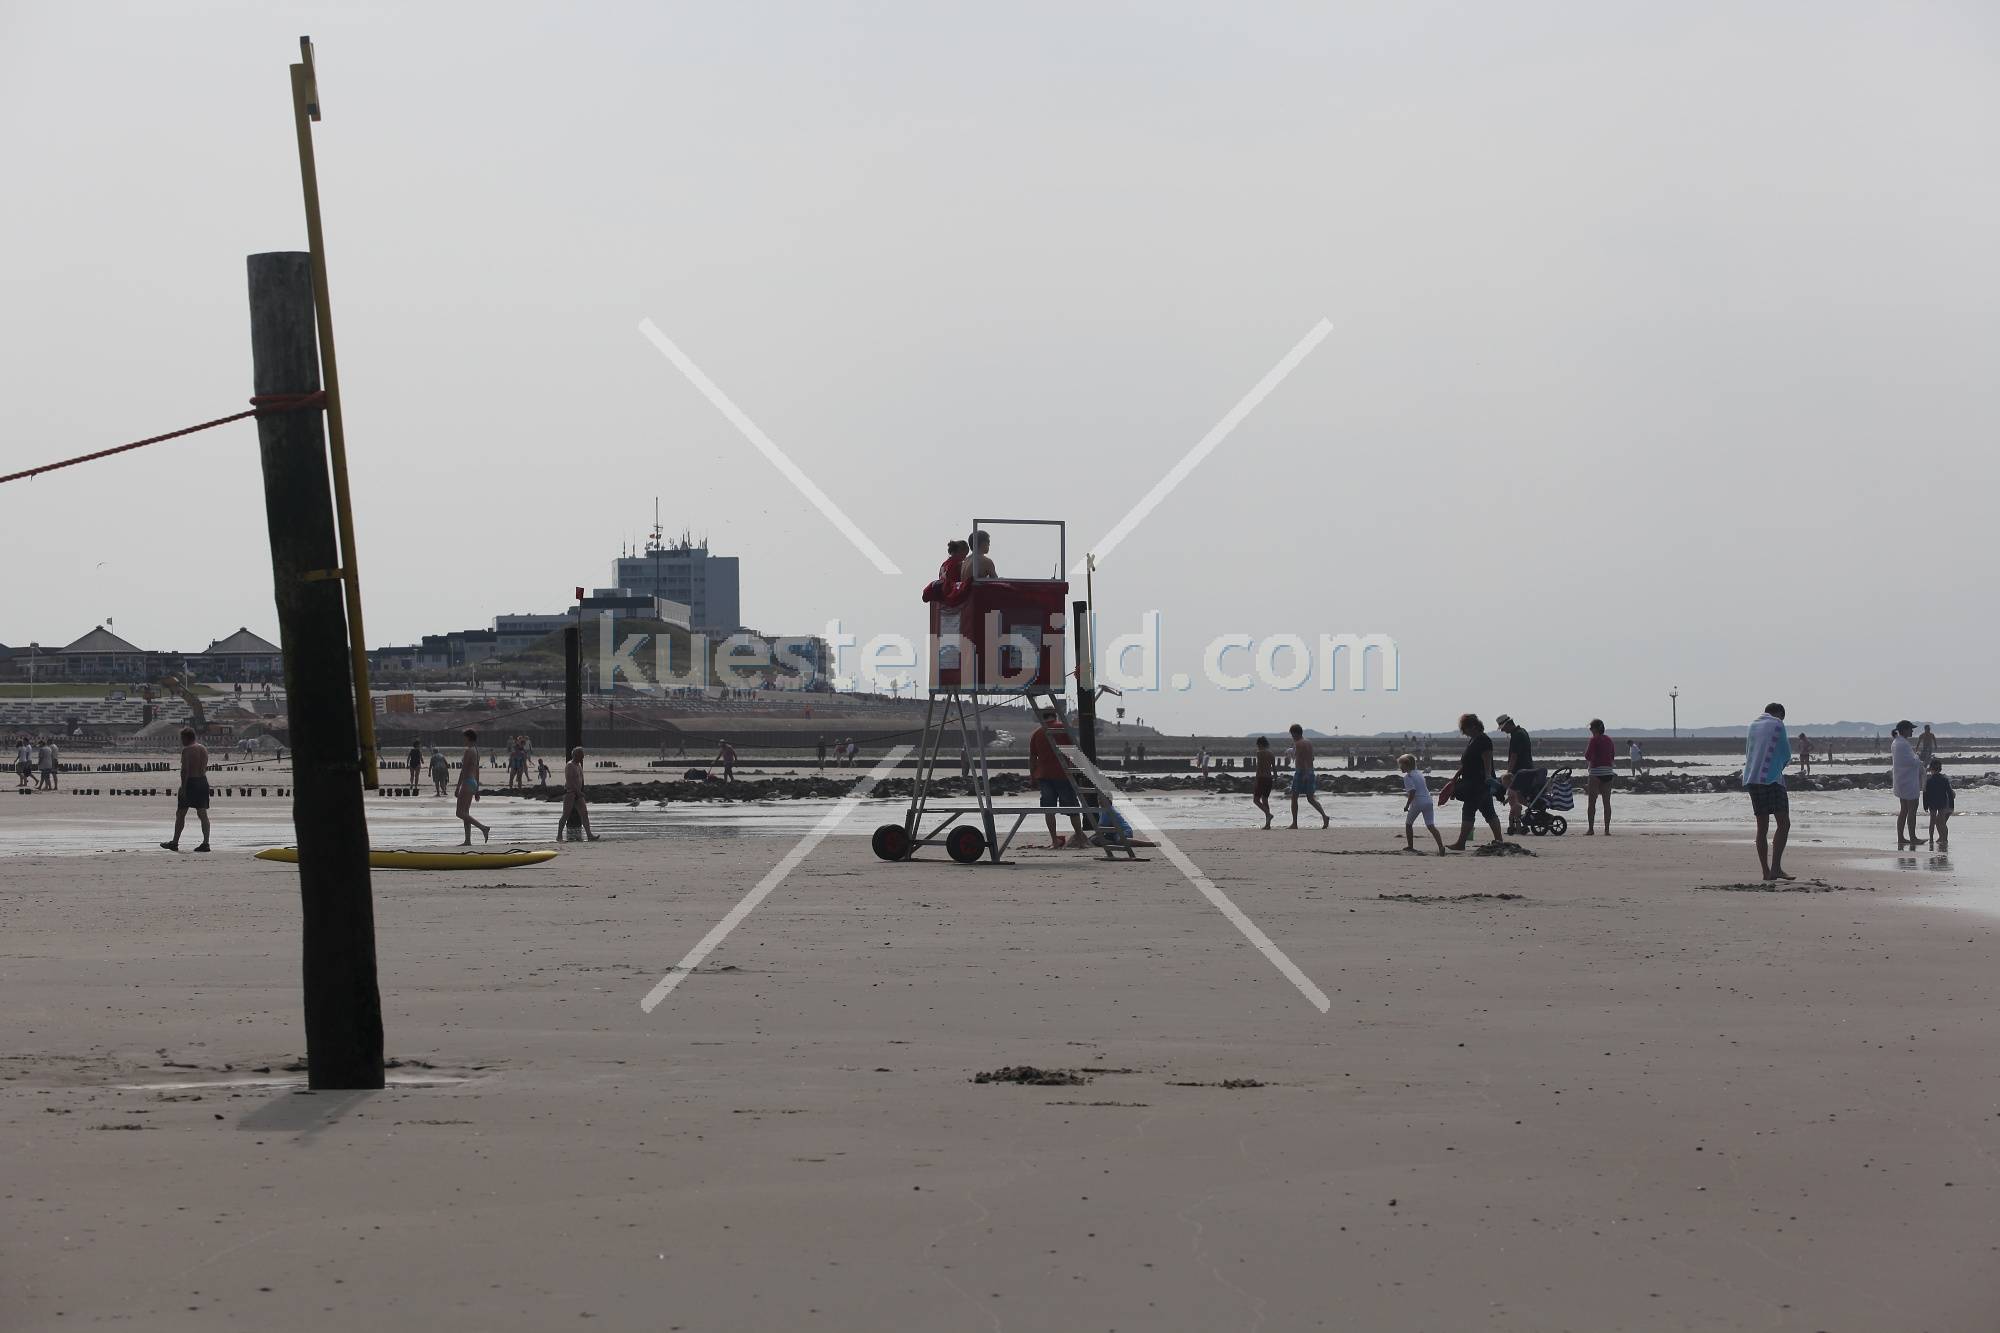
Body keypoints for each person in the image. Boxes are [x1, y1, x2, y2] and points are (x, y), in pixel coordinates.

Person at [1743, 702, 1792, 880]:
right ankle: (1776, 868)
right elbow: (1785, 753)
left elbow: (1749, 752)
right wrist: (1781, 765)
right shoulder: (1778, 724)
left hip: (1752, 779)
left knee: (1762, 827)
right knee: (1783, 823)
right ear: (1779, 714)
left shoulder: (1752, 725)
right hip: (1771, 779)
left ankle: (1766, 871)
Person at [1445, 713, 1505, 850]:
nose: (1464, 732)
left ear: (1473, 726)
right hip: (1474, 782)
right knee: (1489, 812)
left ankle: (1461, 843)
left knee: (1468, 810)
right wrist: (1455, 778)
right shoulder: (1473, 739)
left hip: (1478, 783)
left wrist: (1488, 776)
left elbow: (1487, 758)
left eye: (1465, 729)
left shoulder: (1483, 740)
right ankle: (1499, 840)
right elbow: (1467, 763)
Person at [1029, 708, 1086, 848]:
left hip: (1044, 775)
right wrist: (1075, 770)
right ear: (1055, 716)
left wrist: (1032, 776)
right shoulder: (1063, 729)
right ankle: (1079, 838)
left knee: (1049, 809)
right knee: (1072, 807)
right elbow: (1074, 751)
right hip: (1063, 774)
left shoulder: (1037, 733)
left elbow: (1032, 757)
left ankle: (1054, 840)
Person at [160, 726, 212, 853]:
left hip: (191, 783)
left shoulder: (187, 750)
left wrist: (183, 787)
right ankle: (206, 843)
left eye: (182, 738)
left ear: (186, 738)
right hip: (203, 781)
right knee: (202, 814)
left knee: (181, 813)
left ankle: (175, 842)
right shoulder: (203, 748)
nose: (181, 741)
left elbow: (185, 771)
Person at [1496, 714, 1536, 832]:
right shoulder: (1522, 731)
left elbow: (1514, 756)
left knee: (1514, 798)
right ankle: (1518, 823)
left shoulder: (1516, 735)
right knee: (1518, 797)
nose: (1503, 730)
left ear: (1508, 724)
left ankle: (1517, 824)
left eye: (1503, 727)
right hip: (1527, 769)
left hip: (1520, 771)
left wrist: (1508, 773)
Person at [1399, 753, 1444, 855]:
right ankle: (1441, 847)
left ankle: (1410, 846)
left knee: (1408, 824)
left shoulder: (1408, 777)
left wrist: (1407, 805)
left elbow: (1413, 792)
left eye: (1401, 765)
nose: (1400, 767)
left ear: (1406, 765)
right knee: (1431, 825)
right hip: (1428, 801)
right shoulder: (1419, 773)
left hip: (1418, 801)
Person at [1287, 724, 1329, 829]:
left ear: (1295, 733)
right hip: (1311, 771)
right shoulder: (1308, 742)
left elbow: (1303, 759)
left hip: (1302, 772)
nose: (1292, 737)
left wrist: (1304, 773)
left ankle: (1294, 823)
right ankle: (1324, 816)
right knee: (1310, 798)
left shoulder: (1298, 743)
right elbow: (1312, 758)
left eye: (1292, 735)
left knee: (1294, 797)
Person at [1890, 720, 1923, 849]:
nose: (1912, 731)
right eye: (1910, 729)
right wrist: (1917, 757)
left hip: (1901, 780)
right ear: (1904, 730)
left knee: (1904, 810)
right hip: (1908, 781)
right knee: (1912, 810)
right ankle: (1913, 837)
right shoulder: (1902, 744)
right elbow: (1910, 762)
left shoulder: (1897, 742)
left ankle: (1901, 837)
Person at [456, 728, 491, 845]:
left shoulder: (469, 751)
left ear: (468, 738)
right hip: (473, 782)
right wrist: (477, 789)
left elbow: (463, 770)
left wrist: (457, 787)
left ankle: (483, 828)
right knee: (465, 813)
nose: (463, 740)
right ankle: (467, 840)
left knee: (459, 813)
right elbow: (477, 771)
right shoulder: (476, 751)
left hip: (467, 782)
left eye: (464, 737)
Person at [560, 746, 601, 842]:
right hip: (570, 793)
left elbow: (581, 779)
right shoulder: (570, 765)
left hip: (578, 794)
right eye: (581, 755)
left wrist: (581, 791)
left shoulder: (579, 765)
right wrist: (577, 791)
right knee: (566, 815)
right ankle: (559, 836)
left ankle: (589, 835)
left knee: (584, 814)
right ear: (576, 755)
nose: (583, 757)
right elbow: (570, 780)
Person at [1583, 719, 1616, 835]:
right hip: (1608, 772)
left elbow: (1587, 756)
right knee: (1606, 802)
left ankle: (1591, 829)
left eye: (1591, 728)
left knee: (1592, 802)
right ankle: (1606, 830)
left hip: (1596, 772)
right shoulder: (1609, 740)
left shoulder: (1594, 740)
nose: (1590, 730)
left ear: (1596, 729)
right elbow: (1612, 755)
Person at [1923, 759, 1954, 851]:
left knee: (1932, 821)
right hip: (1942, 803)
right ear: (1940, 769)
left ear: (1931, 769)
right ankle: (1944, 839)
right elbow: (1949, 793)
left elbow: (1925, 794)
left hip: (1932, 803)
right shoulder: (1944, 780)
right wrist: (1951, 805)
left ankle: (1931, 839)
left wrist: (1925, 805)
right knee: (1942, 822)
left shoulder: (1928, 781)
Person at [1251, 736, 1275, 829]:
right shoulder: (1271, 753)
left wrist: (1256, 780)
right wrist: (1276, 779)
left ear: (1260, 744)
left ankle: (1268, 814)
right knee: (1265, 800)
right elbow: (1274, 768)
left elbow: (1259, 767)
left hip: (1262, 778)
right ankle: (1268, 824)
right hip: (1269, 778)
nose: (1257, 747)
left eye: (1257, 745)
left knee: (1256, 800)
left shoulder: (1259, 753)